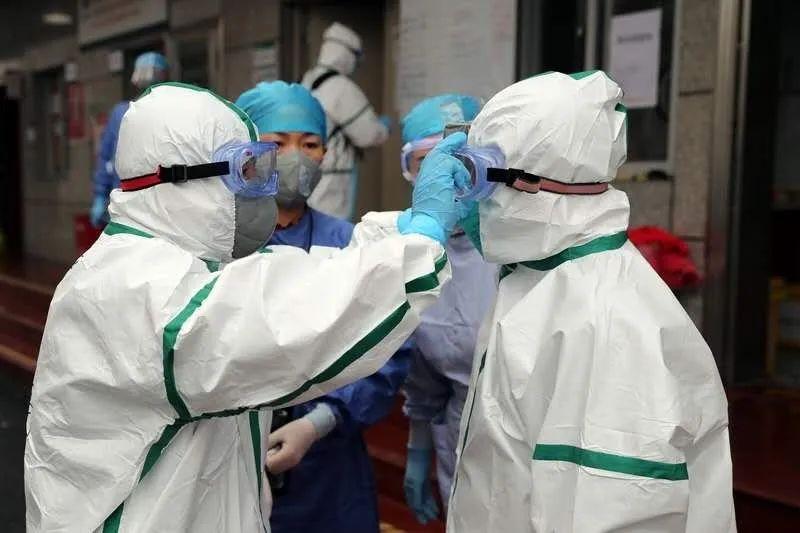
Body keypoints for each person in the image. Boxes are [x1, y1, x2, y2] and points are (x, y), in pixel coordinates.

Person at [25, 83, 467, 532]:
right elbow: (284, 317)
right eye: (247, 170)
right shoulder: (142, 289)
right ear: (186, 178)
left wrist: (399, 231)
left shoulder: (166, 264)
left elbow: (299, 278)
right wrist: (422, 238)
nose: (263, 187)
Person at [437, 71, 736, 532]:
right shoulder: (539, 280)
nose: (466, 198)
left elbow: (610, 515)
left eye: (475, 175)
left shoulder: (609, 321)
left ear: (531, 184)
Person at [236, 81, 409, 533]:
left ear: (325, 155)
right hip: (228, 456)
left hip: (330, 469)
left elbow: (387, 346)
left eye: (310, 144)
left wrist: (320, 421)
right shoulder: (219, 245)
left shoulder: (350, 242)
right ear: (245, 152)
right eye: (277, 143)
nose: (295, 156)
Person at [397, 94, 498, 525]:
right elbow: (423, 370)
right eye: (427, 162)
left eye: (459, 159)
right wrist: (418, 445)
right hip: (453, 435)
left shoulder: (514, 247)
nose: (447, 174)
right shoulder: (409, 246)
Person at [302, 22, 390, 220]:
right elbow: (368, 135)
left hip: (306, 174)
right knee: (330, 233)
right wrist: (383, 128)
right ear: (346, 54)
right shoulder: (341, 88)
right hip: (330, 182)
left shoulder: (307, 79)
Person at [90, 51, 169, 228]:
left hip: (160, 204)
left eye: (154, 73)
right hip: (126, 201)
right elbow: (106, 157)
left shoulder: (171, 112)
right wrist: (100, 195)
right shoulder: (122, 113)